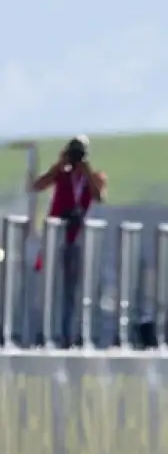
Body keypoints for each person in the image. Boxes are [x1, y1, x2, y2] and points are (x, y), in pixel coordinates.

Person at [31, 136, 107, 347]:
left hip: (77, 240)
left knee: (73, 290)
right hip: (56, 237)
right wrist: (58, 165)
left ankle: (69, 333)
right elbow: (37, 185)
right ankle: (45, 331)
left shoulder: (94, 177)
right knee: (49, 286)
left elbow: (99, 196)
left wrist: (86, 169)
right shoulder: (61, 176)